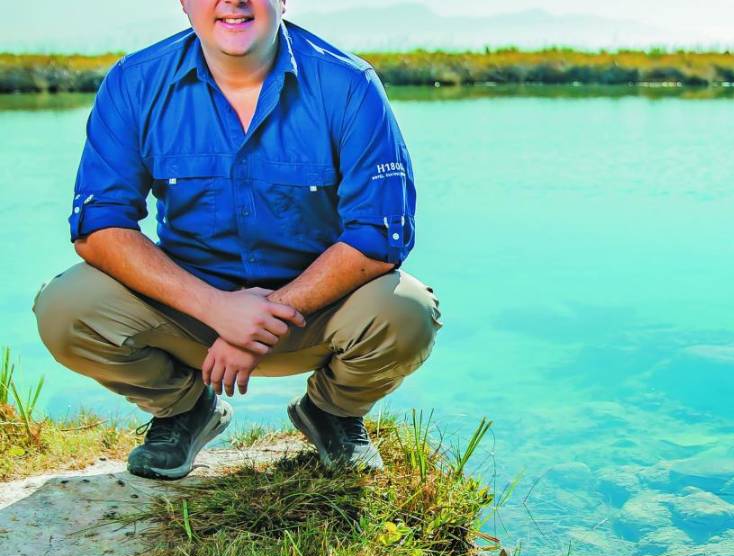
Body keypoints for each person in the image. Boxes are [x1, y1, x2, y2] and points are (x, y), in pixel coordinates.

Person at [33, 0, 442, 479]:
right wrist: (217, 309)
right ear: (184, 2)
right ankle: (184, 410)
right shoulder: (135, 82)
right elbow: (100, 226)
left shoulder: (349, 85)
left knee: (407, 312)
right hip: (189, 315)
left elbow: (380, 234)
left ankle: (332, 412)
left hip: (318, 312)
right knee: (65, 309)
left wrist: (263, 319)